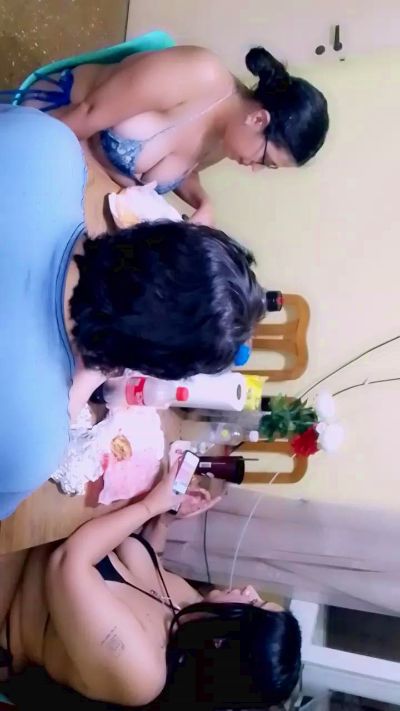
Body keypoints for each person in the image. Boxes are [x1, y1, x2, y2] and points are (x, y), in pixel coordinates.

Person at [0, 105, 266, 519]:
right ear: (141, 365)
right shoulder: (32, 442)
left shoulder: (49, 148)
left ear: (156, 227)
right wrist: (80, 387)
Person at [0, 464, 302, 708]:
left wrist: (151, 505)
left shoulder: (143, 675)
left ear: (226, 643)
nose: (250, 591)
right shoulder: (190, 608)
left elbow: (68, 562)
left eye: (255, 605)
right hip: (29, 536)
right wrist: (165, 519)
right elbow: (149, 561)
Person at [21, 44, 329, 225]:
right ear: (259, 119)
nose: (255, 168)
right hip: (56, 121)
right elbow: (85, 114)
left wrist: (204, 204)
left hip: (89, 177)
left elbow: (182, 169)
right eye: (265, 160)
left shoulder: (229, 139)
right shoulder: (198, 75)